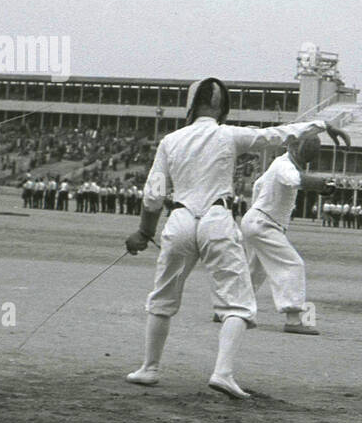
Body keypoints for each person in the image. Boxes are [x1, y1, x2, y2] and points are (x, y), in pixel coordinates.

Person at [123, 77, 347, 399]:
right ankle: (222, 373)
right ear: (221, 107)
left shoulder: (171, 140)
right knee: (239, 306)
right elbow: (275, 135)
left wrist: (144, 232)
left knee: (162, 298)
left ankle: (149, 368)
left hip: (181, 219)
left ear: (191, 105)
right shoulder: (228, 134)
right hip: (216, 218)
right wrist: (321, 124)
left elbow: (153, 194)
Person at [242, 135, 335, 335]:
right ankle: (293, 319)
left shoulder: (280, 165)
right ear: (293, 148)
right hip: (264, 223)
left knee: (254, 271)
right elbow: (293, 179)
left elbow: (258, 185)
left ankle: (229, 308)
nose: (304, 161)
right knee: (292, 264)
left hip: (256, 220)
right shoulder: (283, 165)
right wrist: (320, 184)